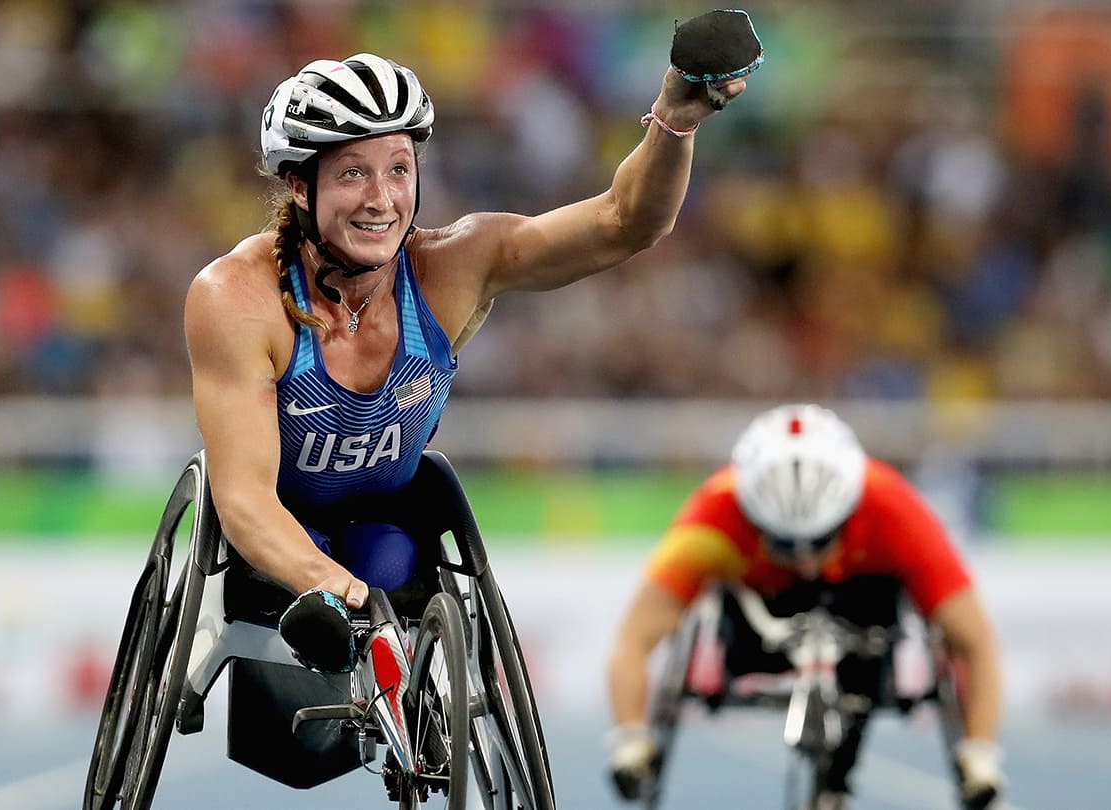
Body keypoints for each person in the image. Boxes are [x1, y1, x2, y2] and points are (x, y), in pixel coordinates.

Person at [183, 50, 747, 645]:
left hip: (390, 523)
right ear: (300, 184)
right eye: (353, 173)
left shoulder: (452, 267)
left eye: (398, 170)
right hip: (277, 527)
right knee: (333, 594)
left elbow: (623, 221)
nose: (382, 199)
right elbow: (244, 497)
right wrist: (334, 586)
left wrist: (675, 119)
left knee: (387, 561)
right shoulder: (238, 298)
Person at [606, 404, 1005, 810]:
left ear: (848, 512)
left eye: (819, 542)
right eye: (784, 545)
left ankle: (838, 777)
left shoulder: (893, 508)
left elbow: (974, 641)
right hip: (758, 624)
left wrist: (979, 753)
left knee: (883, 607)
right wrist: (631, 739)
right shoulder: (713, 515)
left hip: (864, 620)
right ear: (752, 517)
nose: (805, 564)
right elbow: (635, 638)